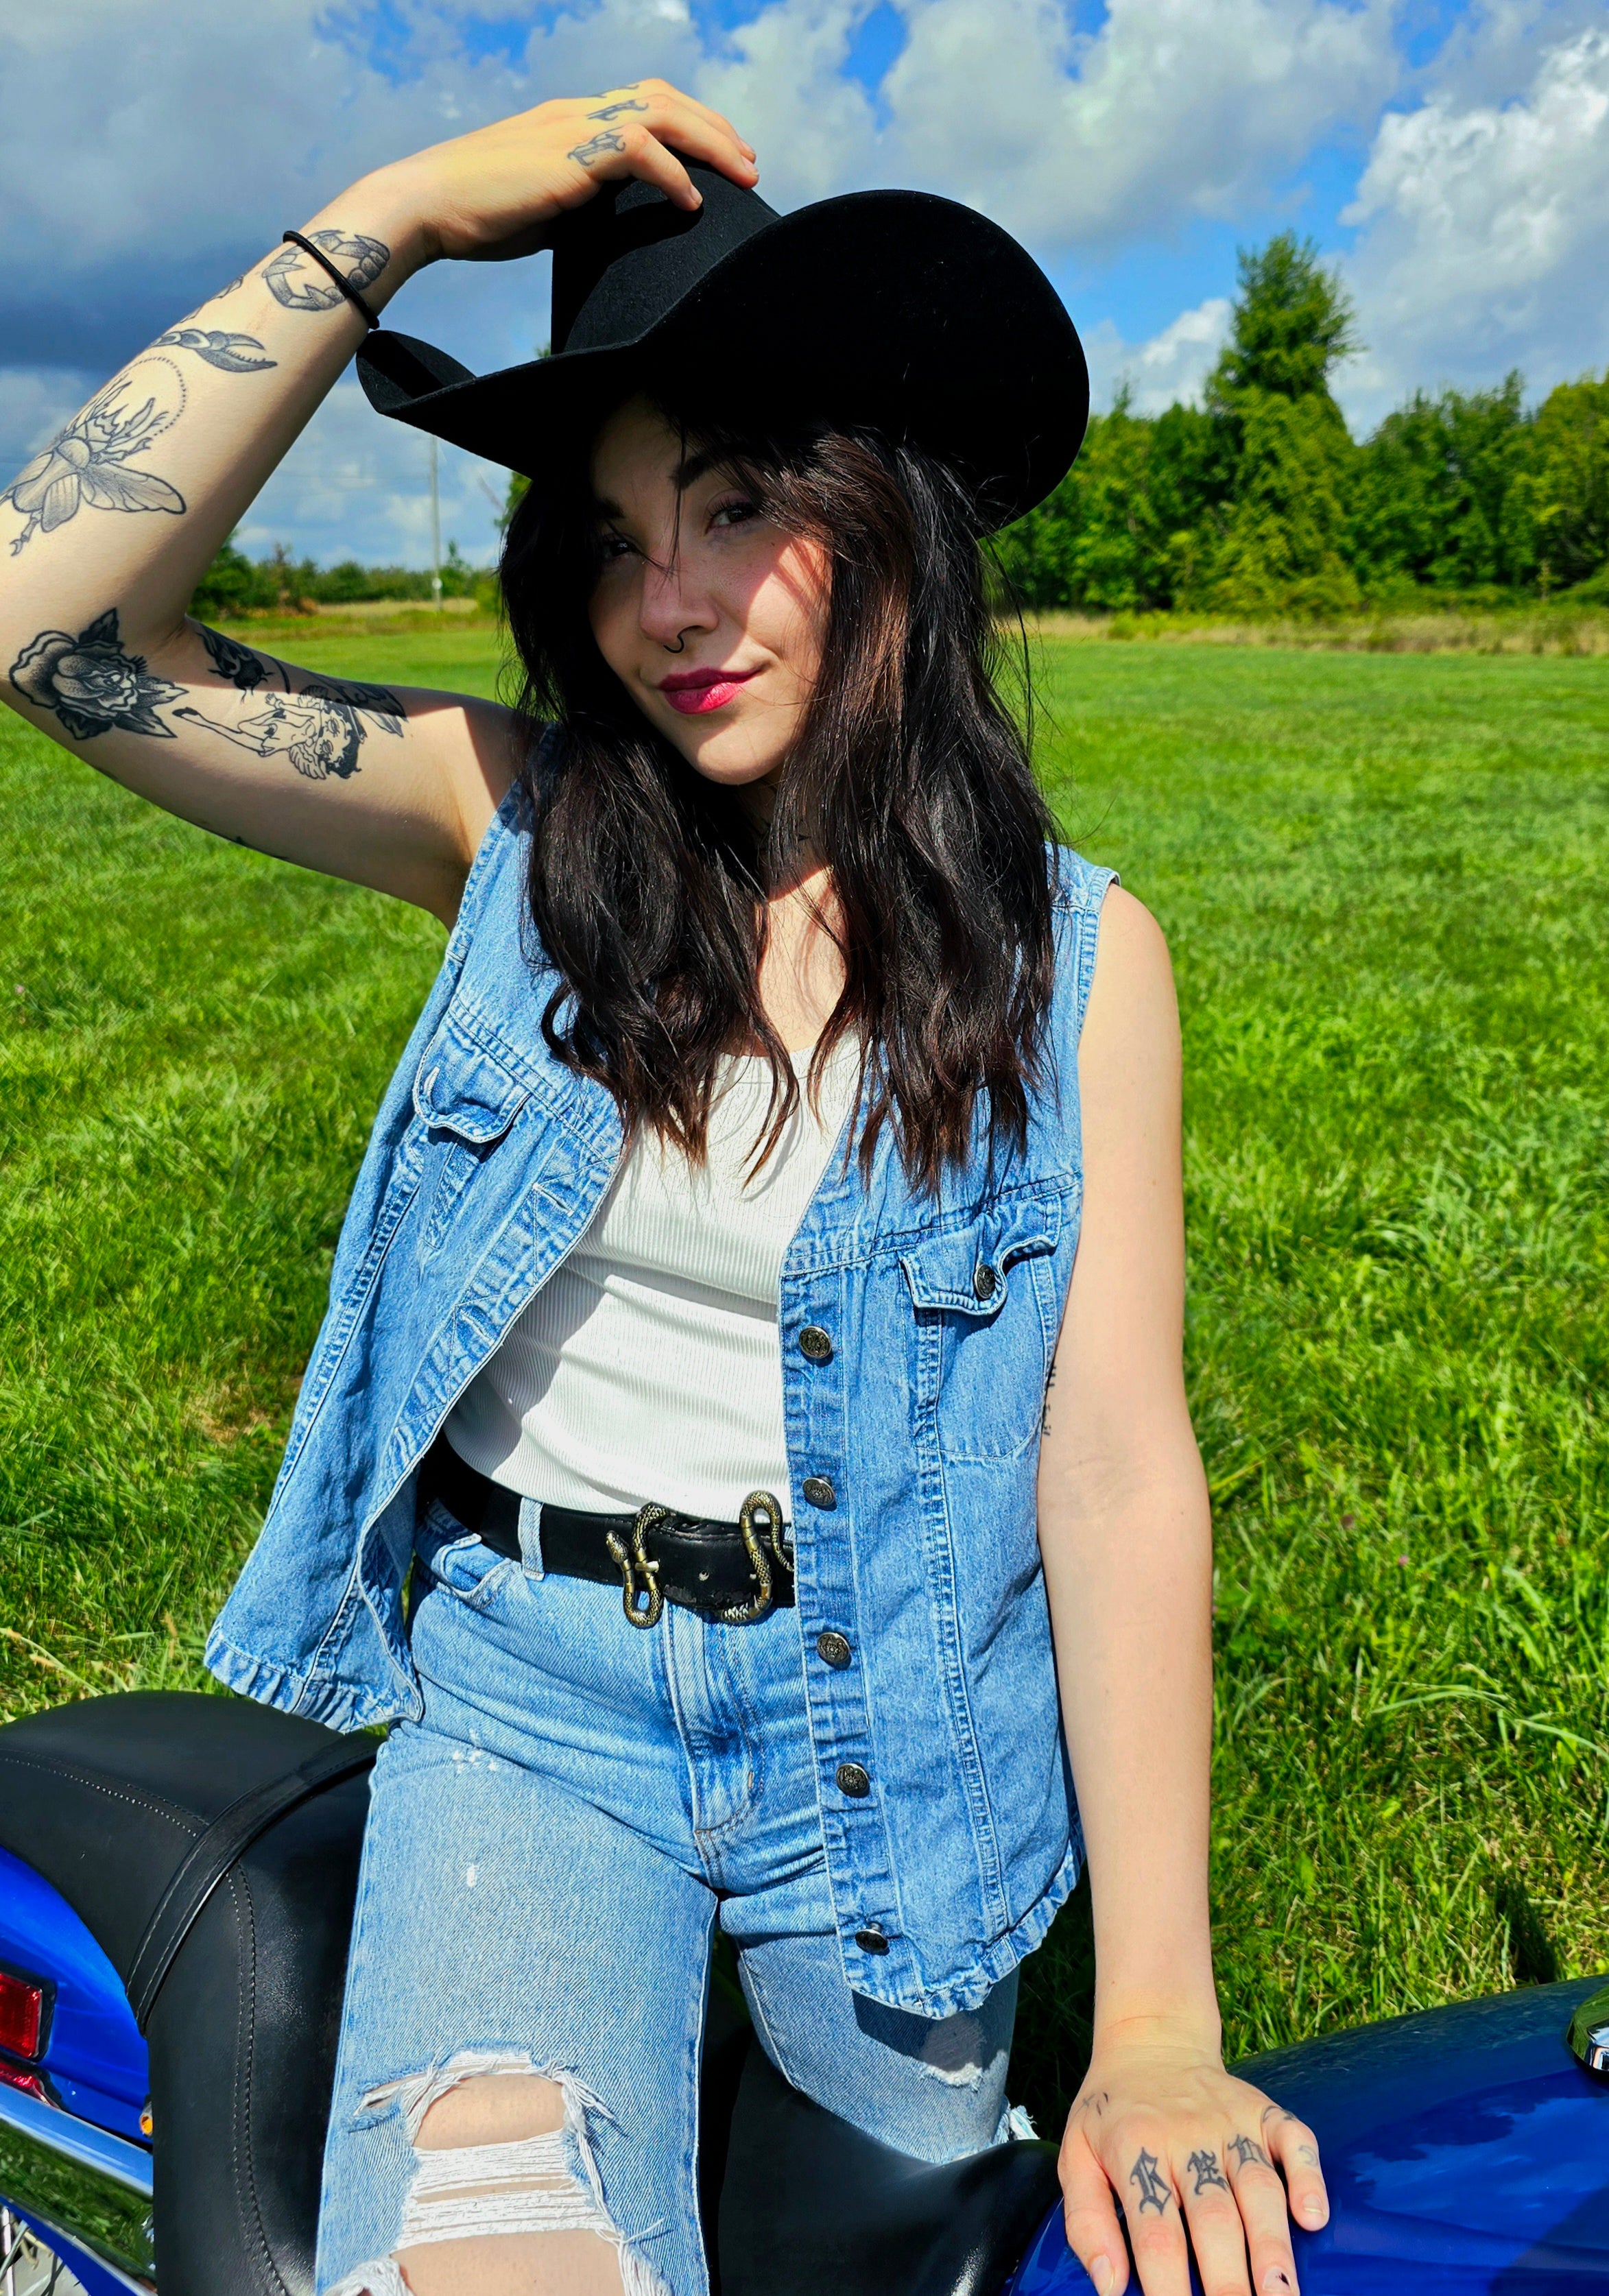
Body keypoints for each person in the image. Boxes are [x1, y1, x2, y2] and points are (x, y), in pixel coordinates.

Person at [0, 83, 1328, 2296]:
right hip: (531, 1706)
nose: (671, 602)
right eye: (611, 535)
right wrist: (389, 221)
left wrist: (1165, 2023)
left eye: (731, 507)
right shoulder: (500, 823)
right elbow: (50, 630)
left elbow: (1111, 1466)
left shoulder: (1078, 960)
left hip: (890, 1728)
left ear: (877, 517)